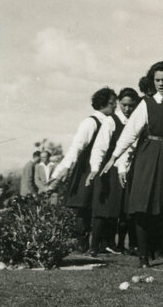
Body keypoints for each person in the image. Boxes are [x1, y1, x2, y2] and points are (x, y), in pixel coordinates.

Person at [105, 62, 163, 268]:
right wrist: (115, 157)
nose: (161, 84)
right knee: (144, 205)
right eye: (157, 80)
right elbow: (130, 133)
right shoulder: (146, 104)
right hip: (149, 157)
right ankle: (143, 256)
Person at [50, 87, 118, 253]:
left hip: (104, 169)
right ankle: (82, 243)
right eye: (111, 103)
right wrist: (63, 169)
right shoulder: (91, 122)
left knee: (101, 206)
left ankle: (102, 243)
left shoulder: (112, 121)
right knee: (83, 206)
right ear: (102, 103)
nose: (114, 107)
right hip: (87, 169)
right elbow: (77, 147)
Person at [87, 87, 139, 255]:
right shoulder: (111, 121)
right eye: (124, 105)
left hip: (130, 170)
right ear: (119, 104)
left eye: (131, 105)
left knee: (125, 211)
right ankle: (94, 246)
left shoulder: (138, 121)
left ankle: (120, 245)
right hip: (110, 170)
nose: (127, 109)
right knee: (103, 210)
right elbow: (99, 147)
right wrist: (95, 168)